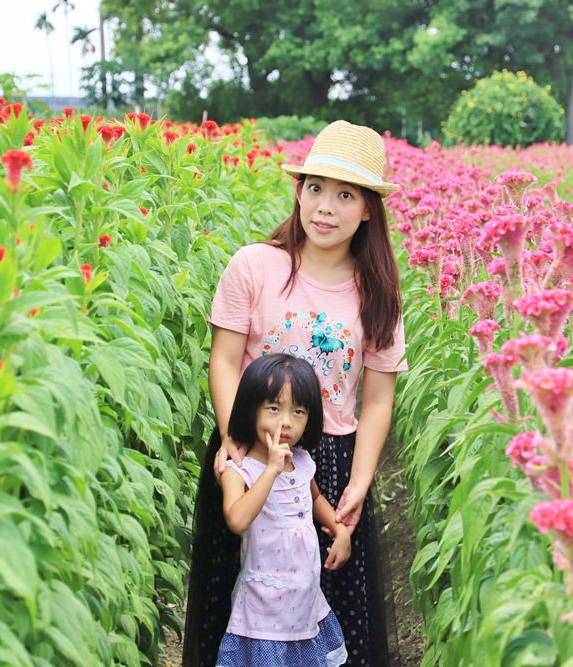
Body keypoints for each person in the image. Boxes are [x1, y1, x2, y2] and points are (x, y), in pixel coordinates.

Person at [183, 120, 406, 667]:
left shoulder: (375, 292)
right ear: (298, 191)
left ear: (369, 209)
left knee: (330, 611)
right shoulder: (255, 266)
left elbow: (377, 398)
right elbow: (225, 360)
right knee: (238, 604)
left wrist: (360, 481)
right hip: (252, 457)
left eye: (345, 194)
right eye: (315, 188)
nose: (325, 207)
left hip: (331, 462)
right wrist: (236, 442)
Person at [216, 353, 351, 666]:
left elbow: (315, 499)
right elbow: (236, 519)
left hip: (304, 602)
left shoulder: (302, 461)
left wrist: (340, 529)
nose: (286, 421)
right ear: (250, 408)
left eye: (299, 411)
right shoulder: (239, 470)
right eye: (274, 408)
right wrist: (271, 470)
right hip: (263, 611)